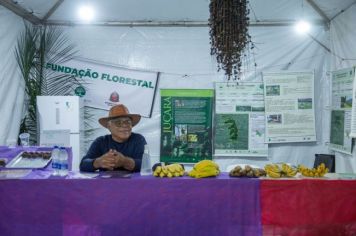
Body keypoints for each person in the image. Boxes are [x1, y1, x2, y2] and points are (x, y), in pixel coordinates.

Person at [80, 104, 147, 172]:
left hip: (133, 182)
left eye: (128, 122)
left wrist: (124, 161)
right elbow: (83, 164)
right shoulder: (101, 142)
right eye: (118, 123)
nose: (124, 125)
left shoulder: (138, 139)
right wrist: (99, 162)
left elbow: (145, 165)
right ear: (109, 127)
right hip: (105, 182)